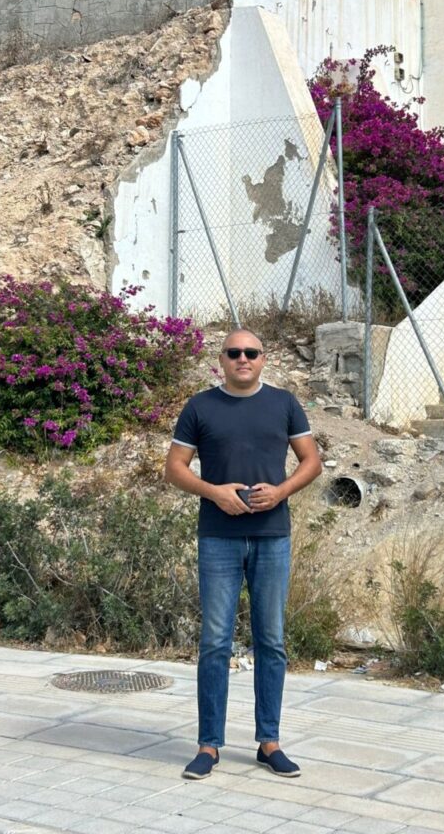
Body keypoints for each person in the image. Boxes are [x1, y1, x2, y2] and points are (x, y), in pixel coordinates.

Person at [165, 327, 322, 781]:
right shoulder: (200, 407)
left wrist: (282, 491)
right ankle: (208, 745)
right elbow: (174, 468)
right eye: (234, 353)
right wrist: (214, 492)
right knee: (215, 642)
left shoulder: (284, 403)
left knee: (270, 640)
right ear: (222, 359)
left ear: (263, 358)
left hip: (272, 534)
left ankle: (268, 742)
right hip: (218, 537)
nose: (242, 359)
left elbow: (311, 461)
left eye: (250, 352)